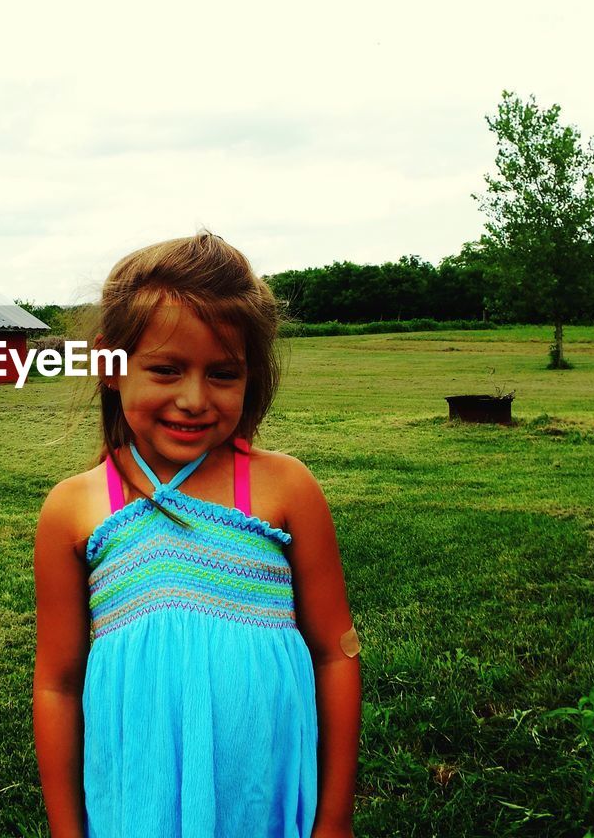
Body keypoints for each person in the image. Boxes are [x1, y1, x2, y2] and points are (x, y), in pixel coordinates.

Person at [32, 231, 362, 838]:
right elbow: (57, 684)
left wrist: (335, 818)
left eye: (222, 373)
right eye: (166, 369)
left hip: (259, 797)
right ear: (109, 364)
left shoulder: (286, 490)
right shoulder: (73, 511)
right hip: (138, 802)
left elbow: (334, 654)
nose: (193, 399)